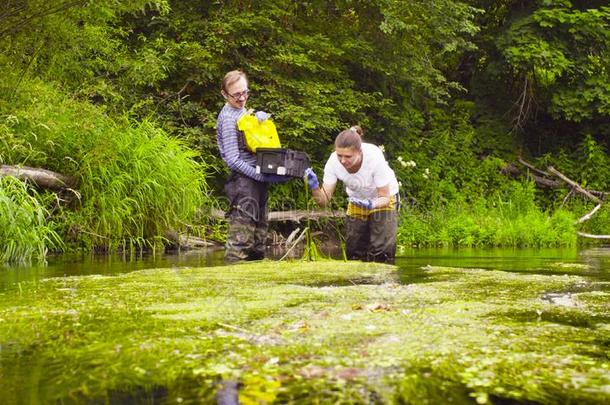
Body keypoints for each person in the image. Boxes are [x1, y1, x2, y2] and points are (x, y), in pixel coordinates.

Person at [216, 70, 286, 262]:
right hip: (243, 184)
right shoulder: (229, 118)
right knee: (240, 244)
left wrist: (258, 119)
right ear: (224, 94)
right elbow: (232, 159)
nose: (242, 98)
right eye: (236, 94)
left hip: (258, 180)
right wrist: (259, 175)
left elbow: (253, 141)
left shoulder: (242, 111)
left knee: (258, 240)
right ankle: (233, 285)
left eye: (245, 92)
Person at [305, 126, 399, 263]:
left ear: (359, 152)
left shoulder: (374, 156)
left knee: (381, 251)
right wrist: (314, 187)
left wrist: (371, 204)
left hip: (383, 200)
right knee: (354, 251)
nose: (343, 161)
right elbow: (323, 201)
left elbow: (384, 197)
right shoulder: (333, 162)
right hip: (357, 201)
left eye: (348, 156)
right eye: (339, 155)